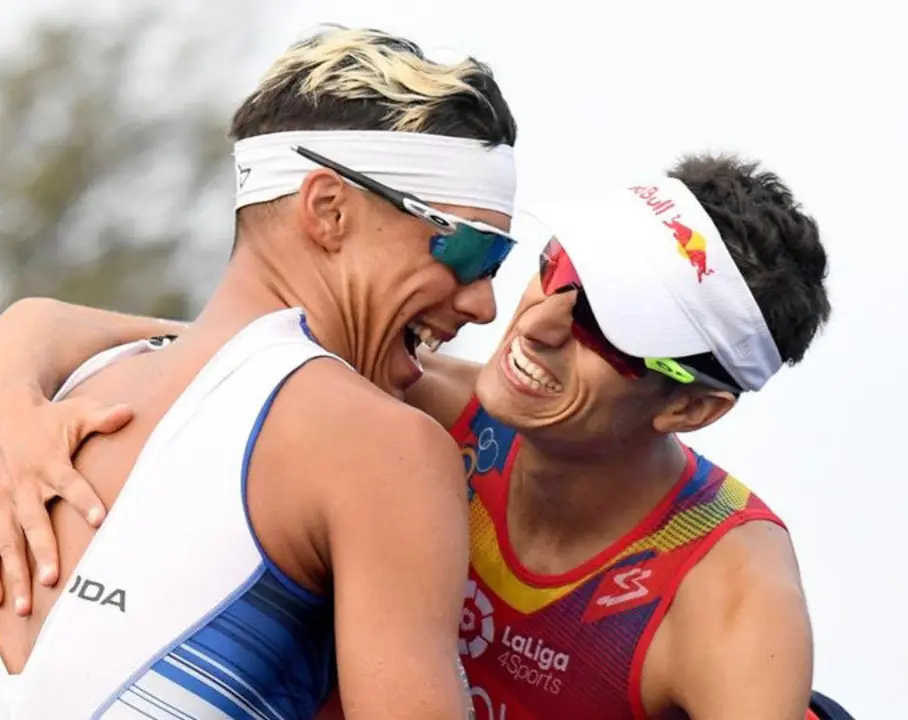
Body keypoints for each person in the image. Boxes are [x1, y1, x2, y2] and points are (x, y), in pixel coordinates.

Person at [0, 113, 845, 720]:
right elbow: (66, 326)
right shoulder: (414, 403)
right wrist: (9, 400)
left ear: (693, 406)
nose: (537, 322)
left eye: (606, 328)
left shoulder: (732, 599)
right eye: (560, 269)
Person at [0, 25, 521, 719]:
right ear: (328, 210)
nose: (484, 302)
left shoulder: (74, 385)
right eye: (465, 251)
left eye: (497, 264)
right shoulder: (380, 450)